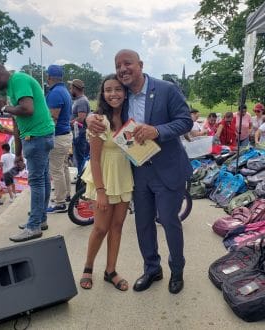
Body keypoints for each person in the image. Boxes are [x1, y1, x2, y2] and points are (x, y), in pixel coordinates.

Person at [87, 49, 192, 294]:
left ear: (140, 64)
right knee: (143, 224)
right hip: (138, 171)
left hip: (167, 169)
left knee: (168, 220)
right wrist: (88, 119)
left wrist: (157, 131)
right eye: (118, 64)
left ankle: (177, 270)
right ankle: (152, 269)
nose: (123, 68)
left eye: (128, 63)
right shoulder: (122, 97)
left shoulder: (165, 89)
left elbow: (185, 120)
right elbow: (104, 112)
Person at [0, 62, 54, 242]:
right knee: (43, 179)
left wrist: (3, 108)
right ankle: (40, 219)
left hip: (37, 137)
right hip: (36, 136)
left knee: (37, 181)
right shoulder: (12, 87)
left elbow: (27, 109)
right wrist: (18, 154)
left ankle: (34, 227)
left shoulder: (19, 80)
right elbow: (17, 123)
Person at [79, 74, 134, 291]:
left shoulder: (131, 118)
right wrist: (101, 192)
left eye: (118, 89)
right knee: (100, 228)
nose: (113, 94)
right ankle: (88, 267)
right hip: (103, 178)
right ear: (103, 94)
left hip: (123, 177)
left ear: (125, 92)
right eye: (108, 90)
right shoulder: (99, 121)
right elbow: (94, 158)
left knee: (117, 226)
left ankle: (110, 271)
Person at [45, 65, 73, 213]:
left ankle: (60, 202)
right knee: (63, 167)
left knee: (56, 170)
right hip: (65, 135)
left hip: (58, 136)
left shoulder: (55, 93)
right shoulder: (64, 91)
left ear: (49, 77)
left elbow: (52, 118)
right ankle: (67, 194)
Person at [69, 78, 90, 175]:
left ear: (74, 88)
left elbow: (81, 118)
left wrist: (69, 123)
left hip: (80, 134)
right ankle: (79, 175)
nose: (70, 90)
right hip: (78, 134)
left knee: (80, 156)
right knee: (78, 156)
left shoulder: (81, 101)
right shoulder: (79, 100)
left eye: (71, 88)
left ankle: (80, 177)